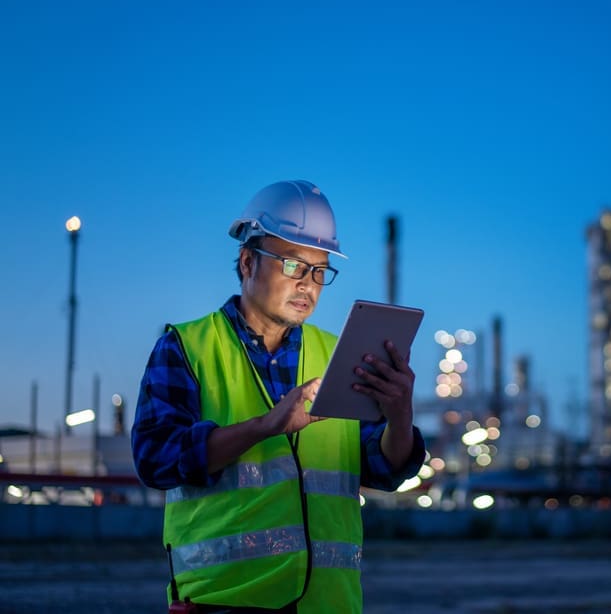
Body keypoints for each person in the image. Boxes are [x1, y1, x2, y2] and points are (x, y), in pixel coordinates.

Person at [131, 180, 425, 614]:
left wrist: (400, 417)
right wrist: (266, 425)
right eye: (293, 265)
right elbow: (156, 459)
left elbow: (382, 468)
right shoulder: (187, 349)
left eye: (320, 270)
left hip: (329, 604)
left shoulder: (337, 356)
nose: (309, 284)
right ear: (248, 261)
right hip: (224, 601)